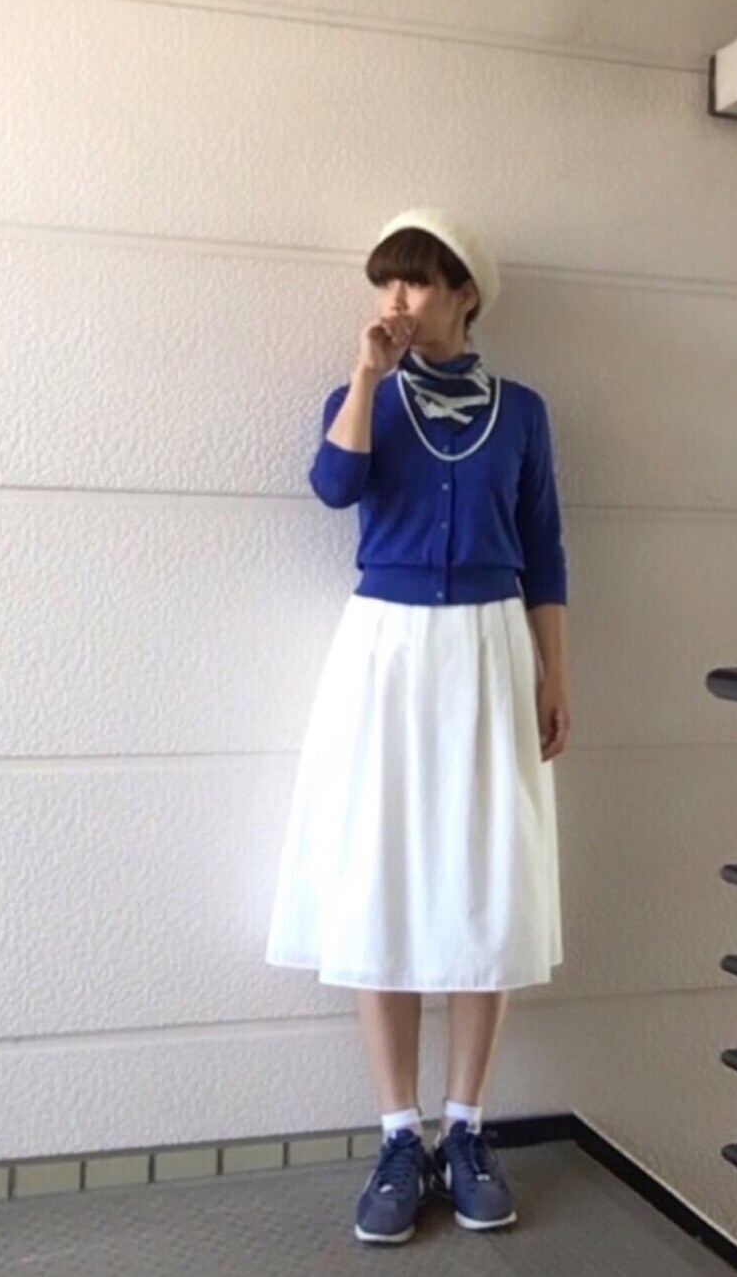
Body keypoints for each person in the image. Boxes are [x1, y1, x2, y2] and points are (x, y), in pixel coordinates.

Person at [264, 207, 571, 1244]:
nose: (396, 299)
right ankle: (400, 1135)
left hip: (489, 648)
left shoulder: (521, 413)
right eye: (385, 281)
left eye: (418, 281)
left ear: (465, 295)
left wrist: (555, 673)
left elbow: (544, 545)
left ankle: (467, 1127)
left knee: (487, 876)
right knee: (381, 872)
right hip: (386, 653)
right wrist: (365, 377)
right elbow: (333, 487)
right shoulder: (363, 398)